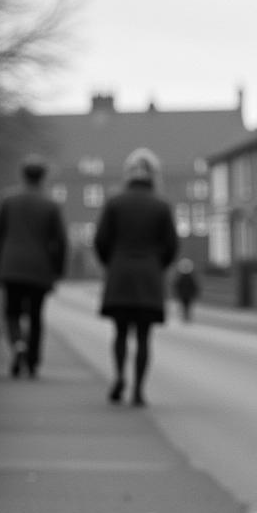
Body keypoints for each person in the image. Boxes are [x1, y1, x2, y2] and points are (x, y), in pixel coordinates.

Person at [94, 148, 178, 407]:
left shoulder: (114, 203)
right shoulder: (161, 205)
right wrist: (156, 265)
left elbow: (100, 242)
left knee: (120, 332)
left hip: (119, 273)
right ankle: (139, 391)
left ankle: (119, 376)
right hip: (149, 276)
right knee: (143, 336)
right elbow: (172, 245)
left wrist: (113, 262)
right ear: (153, 174)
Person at [0, 155, 67, 378]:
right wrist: (58, 269)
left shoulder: (7, 200)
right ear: (43, 177)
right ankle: (32, 361)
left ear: (23, 175)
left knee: (11, 311)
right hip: (39, 269)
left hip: (11, 266)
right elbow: (59, 241)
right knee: (36, 314)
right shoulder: (50, 205)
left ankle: (17, 344)